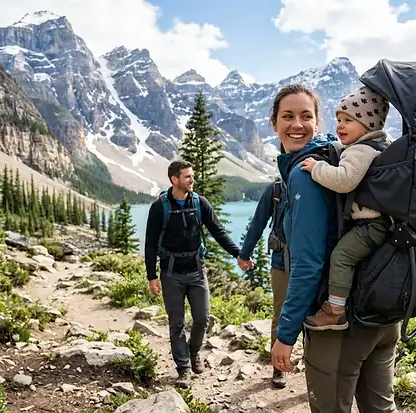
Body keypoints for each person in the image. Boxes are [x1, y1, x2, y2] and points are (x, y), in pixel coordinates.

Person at [268, 83, 402, 412]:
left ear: (318, 122)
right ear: (274, 122)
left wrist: (286, 334)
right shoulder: (342, 155)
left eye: (305, 116)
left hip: (341, 325)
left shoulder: (306, 173)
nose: (296, 124)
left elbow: (309, 264)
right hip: (382, 310)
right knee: (381, 407)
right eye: (288, 116)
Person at [144, 160, 250, 389]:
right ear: (174, 179)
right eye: (187, 177)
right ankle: (183, 369)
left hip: (196, 272)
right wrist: (152, 276)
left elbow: (218, 231)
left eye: (192, 176)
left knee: (202, 318)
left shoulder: (200, 203)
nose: (192, 180)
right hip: (170, 273)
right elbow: (150, 243)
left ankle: (193, 352)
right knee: (177, 322)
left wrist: (238, 254)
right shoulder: (159, 206)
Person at [299, 86, 391, 331]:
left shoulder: (360, 150)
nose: (340, 125)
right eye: (339, 119)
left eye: (348, 120)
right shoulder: (380, 146)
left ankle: (335, 311)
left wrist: (316, 168)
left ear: (369, 125)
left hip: (371, 224)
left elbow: (344, 180)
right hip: (379, 223)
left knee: (341, 256)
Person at [237, 171, 289, 388]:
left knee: (315, 316)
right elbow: (258, 221)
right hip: (282, 261)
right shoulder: (276, 188)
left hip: (314, 261)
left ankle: (315, 368)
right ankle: (279, 368)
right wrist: (245, 252)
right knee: (281, 312)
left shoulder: (322, 175)